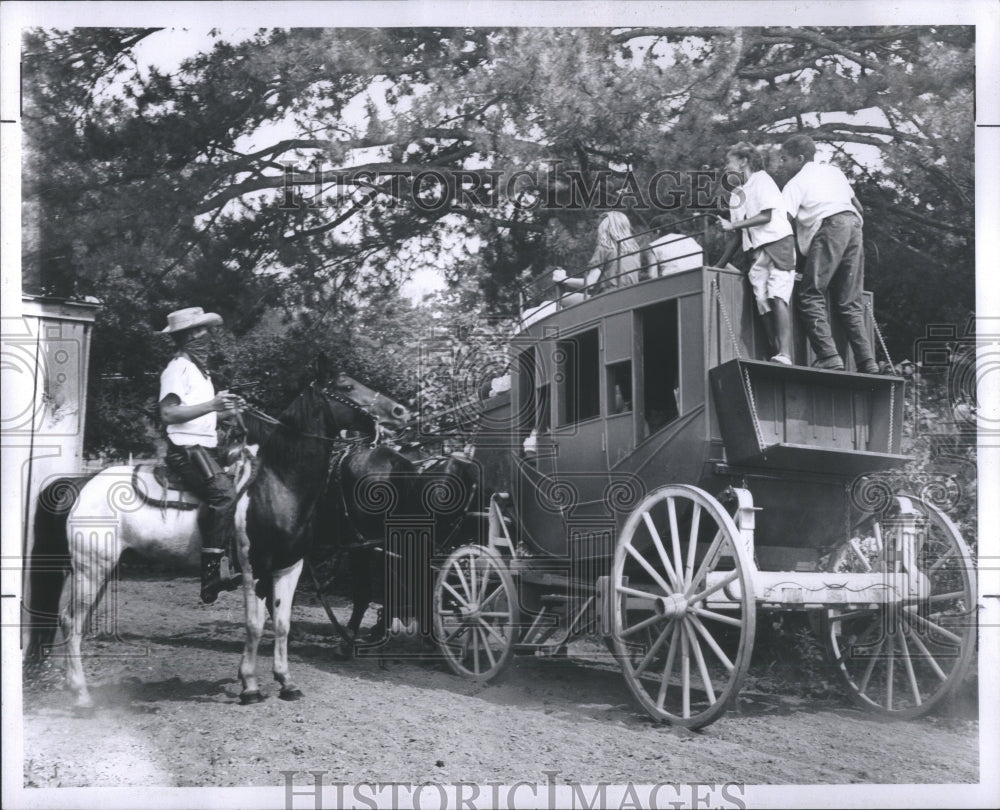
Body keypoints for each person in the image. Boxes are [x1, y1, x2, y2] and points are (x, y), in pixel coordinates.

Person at [158, 306, 244, 604]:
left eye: (206, 329)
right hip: (186, 451)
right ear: (187, 336)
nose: (207, 336)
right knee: (224, 496)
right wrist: (213, 406)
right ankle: (210, 577)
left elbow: (199, 416)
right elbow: (169, 413)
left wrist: (227, 412)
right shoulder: (177, 368)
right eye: (201, 330)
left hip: (205, 448)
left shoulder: (199, 371)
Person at [779, 134, 879, 373]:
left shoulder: (795, 183)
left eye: (784, 159)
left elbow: (781, 224)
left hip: (830, 227)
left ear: (800, 158)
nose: (782, 165)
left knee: (810, 293)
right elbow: (859, 207)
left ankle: (828, 355)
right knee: (850, 301)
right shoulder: (834, 173)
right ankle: (868, 361)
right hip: (854, 227)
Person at [716, 141, 796, 365]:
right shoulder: (735, 196)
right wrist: (718, 266)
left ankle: (785, 353)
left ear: (743, 162)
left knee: (777, 295)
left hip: (777, 244)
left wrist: (733, 226)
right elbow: (736, 236)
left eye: (728, 162)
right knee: (762, 301)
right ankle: (775, 352)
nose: (725, 168)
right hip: (755, 252)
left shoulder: (762, 179)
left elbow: (766, 216)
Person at [552, 212, 642, 294]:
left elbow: (590, 283)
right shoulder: (635, 251)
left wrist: (563, 279)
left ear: (604, 228)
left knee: (563, 298)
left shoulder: (604, 248)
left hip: (608, 297)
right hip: (631, 295)